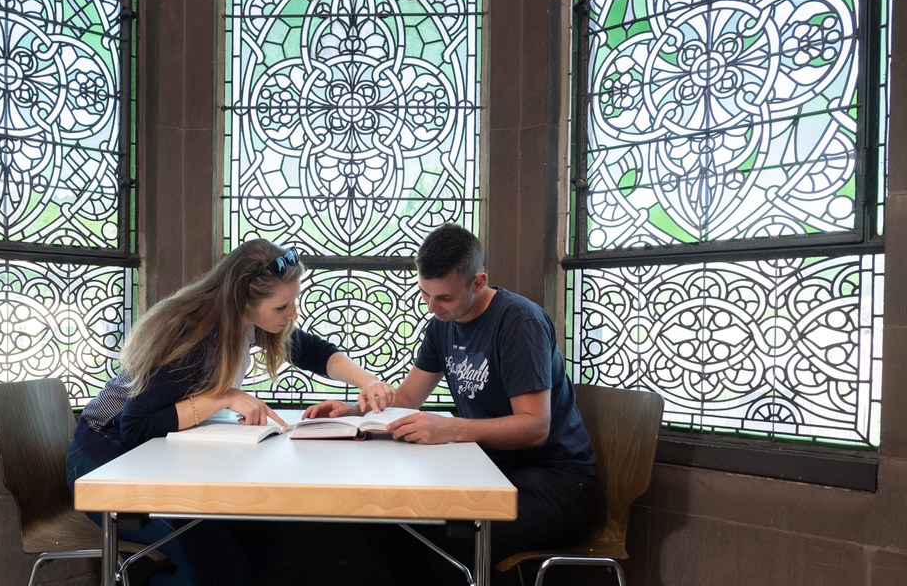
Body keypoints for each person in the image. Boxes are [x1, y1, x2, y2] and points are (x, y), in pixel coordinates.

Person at [66, 239, 395, 585]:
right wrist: (223, 397)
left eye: (293, 302)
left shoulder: (246, 321)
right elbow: (135, 426)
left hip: (153, 461)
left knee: (263, 544)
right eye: (282, 307)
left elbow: (310, 351)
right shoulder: (193, 338)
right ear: (243, 299)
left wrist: (366, 380)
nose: (292, 314)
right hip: (103, 463)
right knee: (223, 571)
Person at [304, 223, 598, 584]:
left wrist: (450, 428)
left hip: (559, 480)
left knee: (451, 545)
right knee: (385, 521)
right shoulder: (443, 323)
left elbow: (535, 427)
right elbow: (410, 398)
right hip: (491, 470)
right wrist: (354, 410)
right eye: (425, 294)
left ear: (478, 281)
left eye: (443, 297)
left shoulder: (519, 322)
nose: (432, 307)